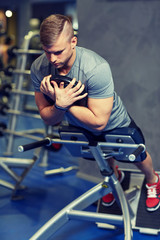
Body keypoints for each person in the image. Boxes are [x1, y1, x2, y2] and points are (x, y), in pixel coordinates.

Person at [31, 14, 160, 212]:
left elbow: (100, 122)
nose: (52, 59)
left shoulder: (95, 68)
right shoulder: (39, 68)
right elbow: (48, 118)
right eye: (47, 52)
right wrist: (59, 106)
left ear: (73, 41)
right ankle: (114, 178)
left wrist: (63, 103)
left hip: (114, 122)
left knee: (137, 155)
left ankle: (153, 180)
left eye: (58, 52)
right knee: (101, 156)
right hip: (77, 124)